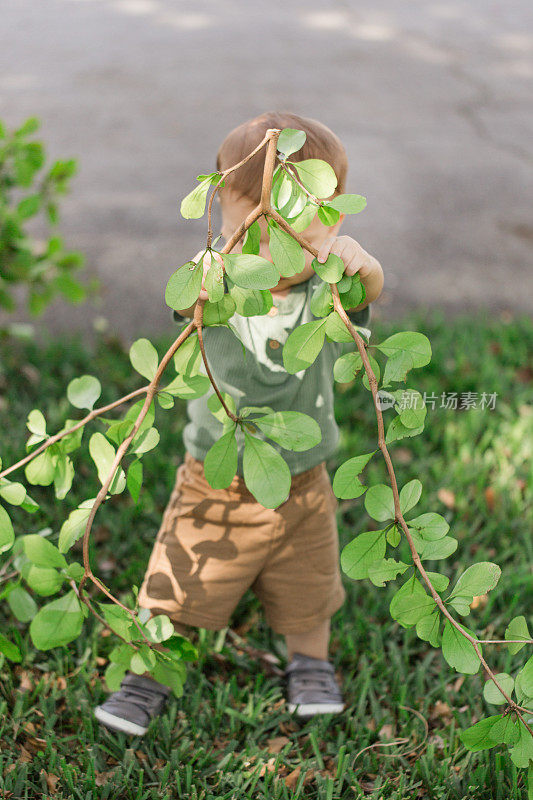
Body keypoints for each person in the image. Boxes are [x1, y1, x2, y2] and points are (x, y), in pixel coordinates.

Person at [94, 111, 384, 737]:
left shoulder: (323, 294)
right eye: (251, 231)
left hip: (305, 485)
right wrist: (217, 263)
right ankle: (148, 673)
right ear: (224, 220)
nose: (273, 253)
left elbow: (368, 295)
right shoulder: (216, 292)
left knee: (310, 590)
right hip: (215, 482)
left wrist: (361, 267)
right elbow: (180, 300)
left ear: (331, 227)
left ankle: (309, 661)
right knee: (176, 585)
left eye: (298, 238)